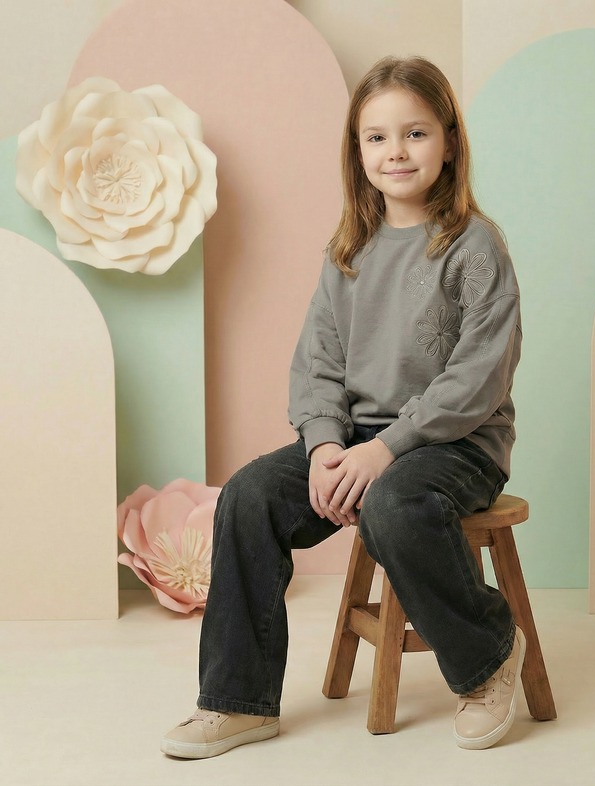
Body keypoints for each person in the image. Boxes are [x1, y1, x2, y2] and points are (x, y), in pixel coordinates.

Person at [161, 55, 524, 758]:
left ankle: (488, 656)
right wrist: (326, 443)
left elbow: (478, 377)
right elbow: (318, 364)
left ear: (450, 141)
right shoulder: (348, 250)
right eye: (377, 137)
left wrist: (386, 449)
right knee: (249, 496)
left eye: (416, 133)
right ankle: (237, 700)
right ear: (357, 152)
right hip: (356, 437)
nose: (396, 152)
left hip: (456, 443)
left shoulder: (475, 247)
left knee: (395, 503)